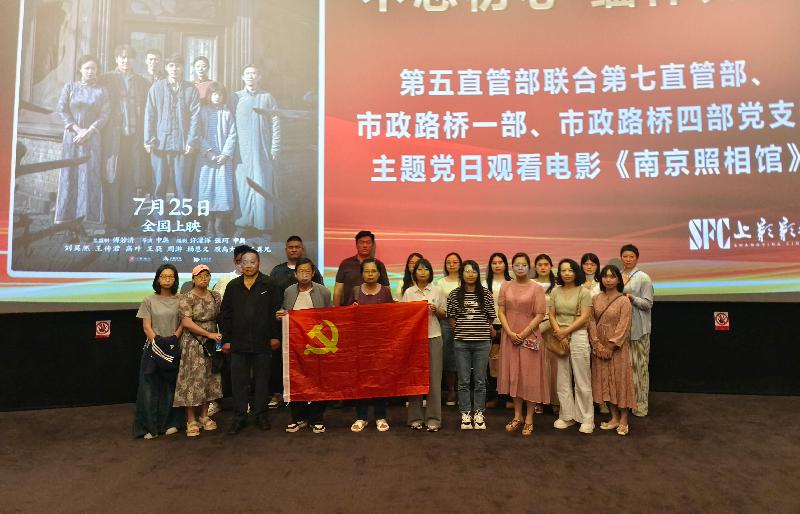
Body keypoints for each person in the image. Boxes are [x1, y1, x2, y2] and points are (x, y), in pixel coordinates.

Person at [218, 248, 281, 435]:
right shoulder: (233, 286)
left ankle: (261, 415)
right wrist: (226, 340)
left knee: (262, 381)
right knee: (239, 382)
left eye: (252, 262)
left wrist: (275, 336)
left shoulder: (269, 284)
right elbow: (225, 314)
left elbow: (276, 312)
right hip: (238, 342)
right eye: (244, 262)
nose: (248, 265)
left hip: (263, 342)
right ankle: (239, 417)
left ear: (258, 263)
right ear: (240, 264)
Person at [276, 258, 332, 434]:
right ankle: (298, 418)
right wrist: (280, 315)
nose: (304, 274)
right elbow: (285, 312)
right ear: (295, 274)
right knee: (296, 380)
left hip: (317, 345)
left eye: (308, 271)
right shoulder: (289, 291)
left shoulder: (323, 291)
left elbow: (330, 316)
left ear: (313, 273)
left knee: (317, 381)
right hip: (295, 346)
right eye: (301, 271)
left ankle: (317, 418)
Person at [268, 235, 324, 408]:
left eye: (297, 247)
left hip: (312, 332)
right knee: (283, 362)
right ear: (286, 250)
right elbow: (273, 299)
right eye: (290, 247)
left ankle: (312, 395)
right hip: (285, 329)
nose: (294, 250)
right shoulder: (277, 271)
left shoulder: (316, 274)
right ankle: (282, 394)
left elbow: (323, 305)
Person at [54, 54, 110, 228]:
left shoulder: (102, 91)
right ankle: (66, 217)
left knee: (90, 174)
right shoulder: (70, 87)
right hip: (72, 137)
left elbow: (105, 114)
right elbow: (62, 109)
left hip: (93, 138)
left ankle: (89, 219)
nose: (90, 71)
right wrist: (78, 129)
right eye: (87, 68)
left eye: (93, 68)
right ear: (80, 69)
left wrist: (89, 131)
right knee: (70, 173)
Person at [100, 44, 150, 232]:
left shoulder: (142, 82)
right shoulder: (106, 79)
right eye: (122, 57)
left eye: (129, 57)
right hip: (113, 138)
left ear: (134, 60)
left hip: (134, 139)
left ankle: (125, 222)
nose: (125, 60)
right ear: (116, 59)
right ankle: (112, 221)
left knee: (130, 178)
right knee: (112, 177)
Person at [497, 253, 548, 437]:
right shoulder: (505, 286)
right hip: (509, 336)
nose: (520, 267)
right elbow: (501, 311)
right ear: (512, 267)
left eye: (523, 264)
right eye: (517, 264)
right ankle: (517, 416)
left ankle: (529, 418)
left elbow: (540, 314)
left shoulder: (537, 288)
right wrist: (509, 332)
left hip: (530, 336)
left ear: (529, 267)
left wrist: (523, 333)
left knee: (530, 376)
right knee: (514, 376)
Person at [133, 264, 184, 439]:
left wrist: (173, 340)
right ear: (158, 279)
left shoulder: (181, 300)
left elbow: (183, 323)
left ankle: (169, 424)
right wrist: (158, 342)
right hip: (153, 349)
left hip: (173, 349)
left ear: (175, 279)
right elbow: (146, 327)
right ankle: (150, 427)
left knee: (170, 388)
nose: (167, 280)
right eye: (164, 276)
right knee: (149, 389)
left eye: (171, 276)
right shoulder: (149, 300)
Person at [172, 264, 223, 437]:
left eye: (207, 275)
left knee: (209, 377)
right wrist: (208, 334)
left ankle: (204, 415)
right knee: (192, 379)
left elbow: (221, 317)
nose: (204, 279)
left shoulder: (216, 296)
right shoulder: (187, 298)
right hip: (193, 343)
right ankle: (191, 419)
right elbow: (186, 322)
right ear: (193, 279)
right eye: (200, 276)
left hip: (212, 343)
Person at [447, 260, 496, 430]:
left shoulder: (486, 294)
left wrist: (479, 330)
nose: (470, 274)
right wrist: (462, 331)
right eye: (467, 271)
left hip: (482, 343)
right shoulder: (454, 294)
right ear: (462, 274)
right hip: (461, 343)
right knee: (463, 380)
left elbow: (491, 317)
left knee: (480, 380)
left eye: (473, 271)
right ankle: (466, 413)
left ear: (478, 274)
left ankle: (479, 413)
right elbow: (451, 318)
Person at [143, 54, 200, 201]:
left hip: (183, 144)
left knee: (182, 184)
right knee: (159, 184)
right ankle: (159, 215)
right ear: (166, 68)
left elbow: (195, 116)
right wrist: (148, 140)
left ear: (183, 68)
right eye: (171, 66)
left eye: (178, 66)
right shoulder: (156, 88)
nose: (174, 69)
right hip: (159, 142)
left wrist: (191, 140)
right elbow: (149, 115)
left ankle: (182, 215)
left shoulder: (191, 89)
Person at [232, 64, 281, 234]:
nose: (250, 76)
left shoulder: (267, 97)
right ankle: (242, 224)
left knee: (263, 184)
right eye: (247, 73)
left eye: (254, 73)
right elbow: (229, 123)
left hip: (262, 150)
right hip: (241, 150)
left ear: (259, 77)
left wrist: (275, 147)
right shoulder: (236, 97)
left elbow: (275, 123)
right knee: (242, 185)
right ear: (242, 77)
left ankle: (264, 226)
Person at [589, 265, 637, 436]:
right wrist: (597, 345)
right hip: (599, 348)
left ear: (618, 279)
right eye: (605, 276)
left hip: (617, 348)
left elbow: (624, 325)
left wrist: (610, 346)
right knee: (605, 382)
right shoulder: (595, 299)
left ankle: (624, 419)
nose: (608, 280)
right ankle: (614, 417)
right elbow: (591, 321)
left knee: (619, 381)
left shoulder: (624, 300)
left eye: (612, 276)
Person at [349, 257, 394, 432]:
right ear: (362, 274)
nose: (370, 274)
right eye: (367, 271)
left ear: (379, 273)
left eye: (373, 271)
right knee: (360, 380)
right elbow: (345, 317)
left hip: (380, 344)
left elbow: (392, 316)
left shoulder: (385, 291)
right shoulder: (355, 290)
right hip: (359, 343)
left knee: (379, 380)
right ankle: (361, 417)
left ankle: (380, 416)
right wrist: (352, 310)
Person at [550, 258, 594, 434]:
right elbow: (551, 314)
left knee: (582, 379)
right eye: (563, 270)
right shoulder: (555, 291)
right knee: (563, 379)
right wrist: (559, 332)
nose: (567, 273)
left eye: (570, 270)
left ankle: (586, 419)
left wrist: (565, 332)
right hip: (560, 336)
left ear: (576, 272)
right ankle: (567, 416)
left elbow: (585, 317)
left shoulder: (584, 292)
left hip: (578, 335)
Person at [402, 258, 446, 432]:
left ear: (430, 272)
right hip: (414, 340)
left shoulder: (437, 290)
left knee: (434, 380)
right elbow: (404, 316)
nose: (422, 272)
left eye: (426, 269)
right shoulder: (409, 292)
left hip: (434, 337)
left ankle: (434, 419)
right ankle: (415, 418)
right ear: (414, 273)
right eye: (419, 269)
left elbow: (444, 313)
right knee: (415, 379)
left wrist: (436, 310)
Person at [194, 81, 236, 238]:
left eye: (220, 94)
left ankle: (218, 227)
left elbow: (232, 135)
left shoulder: (227, 113)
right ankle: (209, 227)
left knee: (221, 193)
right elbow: (198, 134)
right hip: (206, 159)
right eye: (214, 94)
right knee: (205, 192)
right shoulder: (202, 112)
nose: (217, 97)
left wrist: (225, 154)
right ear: (209, 95)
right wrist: (208, 152)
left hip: (223, 160)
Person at [620, 244, 654, 417]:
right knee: (625, 369)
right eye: (625, 256)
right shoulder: (617, 276)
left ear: (637, 258)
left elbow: (648, 304)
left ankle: (640, 405)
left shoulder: (643, 278)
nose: (628, 259)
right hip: (621, 331)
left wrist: (632, 298)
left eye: (631, 256)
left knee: (639, 368)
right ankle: (626, 402)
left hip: (638, 330)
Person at [333, 230, 390, 307]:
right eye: (361, 242)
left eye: (368, 242)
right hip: (349, 309)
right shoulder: (345, 264)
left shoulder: (379, 264)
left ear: (373, 245)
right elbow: (338, 291)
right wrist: (336, 310)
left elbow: (386, 289)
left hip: (374, 310)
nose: (365, 245)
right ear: (356, 244)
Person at [483, 252, 511, 409]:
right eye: (494, 263)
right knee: (492, 363)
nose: (497, 265)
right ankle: (493, 396)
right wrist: (489, 325)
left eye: (500, 262)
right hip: (491, 326)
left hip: (509, 326)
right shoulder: (484, 284)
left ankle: (508, 397)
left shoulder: (512, 283)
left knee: (508, 363)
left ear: (505, 264)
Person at [533, 254, 559, 415]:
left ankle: (555, 401)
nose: (543, 267)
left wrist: (549, 323)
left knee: (555, 368)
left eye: (546, 264)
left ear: (550, 266)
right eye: (540, 265)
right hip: (533, 329)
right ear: (535, 267)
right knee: (536, 366)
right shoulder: (530, 284)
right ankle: (537, 400)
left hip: (553, 329)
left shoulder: (558, 285)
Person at [435, 252, 462, 406]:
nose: (451, 265)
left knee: (463, 356)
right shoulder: (440, 282)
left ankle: (462, 390)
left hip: (465, 322)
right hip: (446, 321)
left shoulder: (465, 280)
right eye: (449, 262)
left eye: (455, 262)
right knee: (448, 356)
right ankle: (451, 390)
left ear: (460, 264)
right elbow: (439, 304)